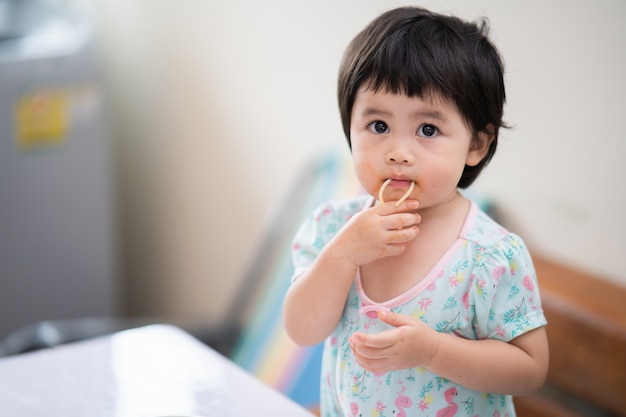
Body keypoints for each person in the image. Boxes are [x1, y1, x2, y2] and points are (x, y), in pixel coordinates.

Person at [283, 6, 548, 417]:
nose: (398, 153)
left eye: (428, 130)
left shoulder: (490, 256)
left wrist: (433, 350)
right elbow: (302, 330)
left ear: (476, 145)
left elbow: (530, 370)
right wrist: (343, 254)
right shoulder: (332, 228)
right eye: (378, 126)